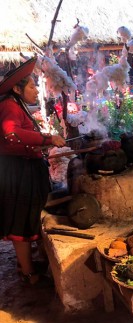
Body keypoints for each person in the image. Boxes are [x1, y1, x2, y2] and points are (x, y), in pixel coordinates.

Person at [0, 57, 66, 285]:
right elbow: (11, 133)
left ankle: (27, 264)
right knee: (22, 220)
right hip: (19, 172)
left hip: (26, 167)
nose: (36, 89)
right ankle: (28, 273)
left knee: (29, 217)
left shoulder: (16, 104)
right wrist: (46, 138)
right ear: (17, 89)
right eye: (31, 86)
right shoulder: (9, 105)